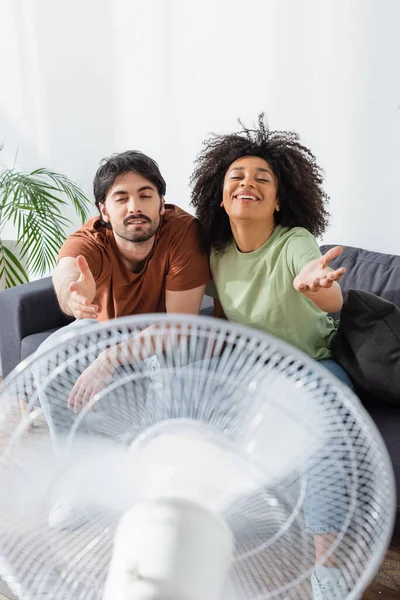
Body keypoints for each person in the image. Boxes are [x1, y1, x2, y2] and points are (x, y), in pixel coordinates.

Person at [190, 115, 354, 600]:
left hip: (312, 366)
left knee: (323, 431)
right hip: (250, 369)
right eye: (236, 177)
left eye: (263, 179)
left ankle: (327, 568)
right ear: (221, 196)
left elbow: (329, 295)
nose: (248, 184)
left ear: (279, 200)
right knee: (179, 390)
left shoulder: (294, 241)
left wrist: (317, 286)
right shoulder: (216, 250)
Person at [36, 150, 210, 441]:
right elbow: (66, 272)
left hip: (165, 335)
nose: (135, 207)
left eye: (145, 195)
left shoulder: (183, 233)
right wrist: (73, 297)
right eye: (121, 198)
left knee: (164, 365)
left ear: (161, 203)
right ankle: (71, 456)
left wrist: (110, 359)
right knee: (50, 354)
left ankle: (156, 455)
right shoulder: (90, 239)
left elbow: (178, 326)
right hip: (107, 330)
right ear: (104, 211)